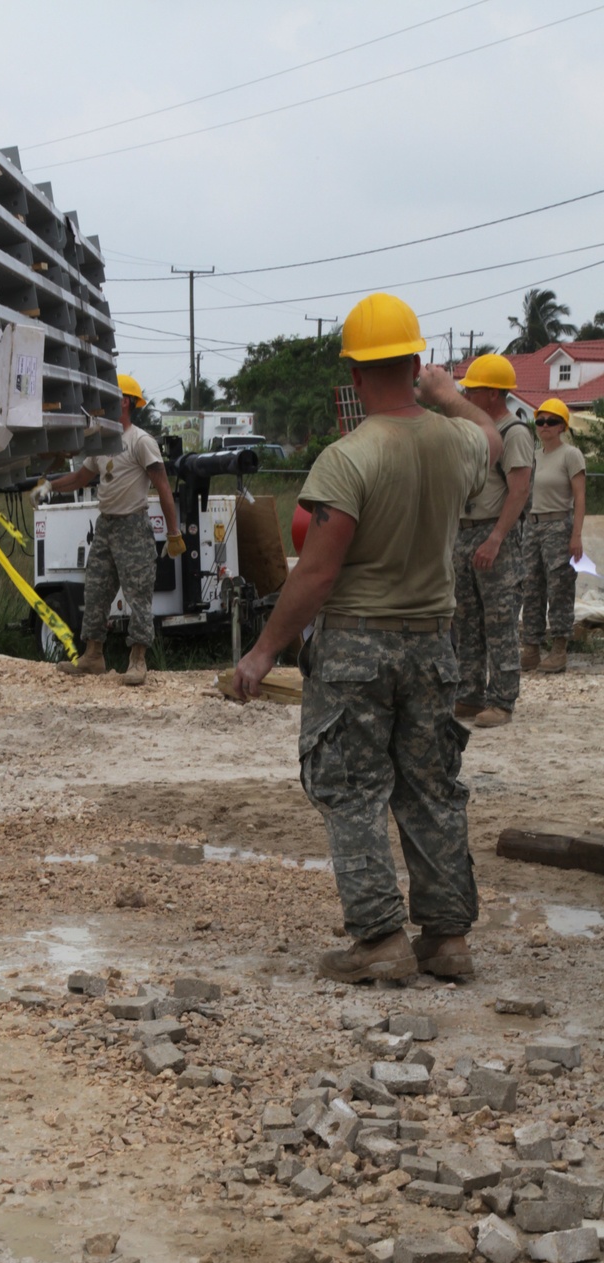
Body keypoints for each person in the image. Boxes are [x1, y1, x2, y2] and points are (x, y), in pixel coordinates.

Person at [233, 294, 501, 983]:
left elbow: (317, 574)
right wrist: (449, 395)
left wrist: (263, 652)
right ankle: (447, 940)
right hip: (433, 645)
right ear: (415, 363)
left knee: (351, 789)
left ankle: (380, 941)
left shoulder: (346, 460)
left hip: (357, 648)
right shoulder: (456, 440)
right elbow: (493, 438)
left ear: (354, 375)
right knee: (433, 789)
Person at [32, 374, 184, 686]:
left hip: (132, 526)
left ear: (124, 402)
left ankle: (138, 660)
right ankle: (93, 656)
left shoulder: (141, 442)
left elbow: (164, 487)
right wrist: (48, 486)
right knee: (96, 590)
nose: (98, 406)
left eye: (107, 399)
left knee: (138, 594)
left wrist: (174, 533)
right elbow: (79, 479)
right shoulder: (101, 443)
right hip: (106, 526)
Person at [454, 354, 535, 728]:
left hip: (493, 535)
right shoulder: (478, 432)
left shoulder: (513, 432)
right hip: (467, 532)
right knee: (466, 620)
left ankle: (502, 700)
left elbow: (519, 490)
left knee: (500, 620)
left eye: (471, 388)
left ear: (490, 393)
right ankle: (469, 695)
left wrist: (496, 538)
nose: (466, 393)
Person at [521, 397, 586, 674]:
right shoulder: (534, 456)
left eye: (551, 421)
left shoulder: (570, 455)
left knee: (559, 587)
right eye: (540, 421)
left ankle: (559, 648)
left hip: (559, 524)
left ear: (562, 426)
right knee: (532, 588)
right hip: (532, 527)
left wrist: (576, 535)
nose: (544, 426)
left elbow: (580, 497)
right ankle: (532, 647)